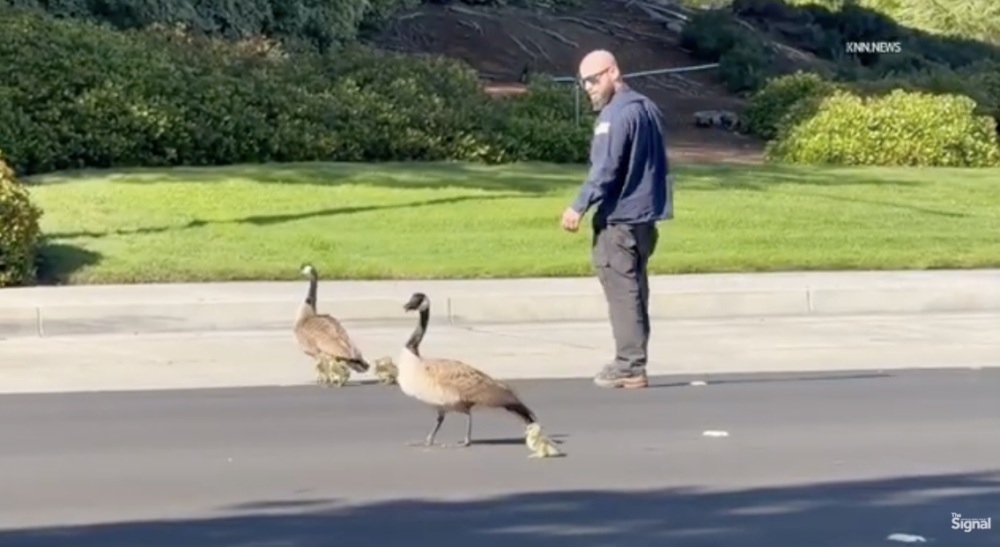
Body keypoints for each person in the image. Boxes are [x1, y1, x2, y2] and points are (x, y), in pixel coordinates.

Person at [560, 49, 673, 389]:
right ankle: (634, 359)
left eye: (593, 80)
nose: (588, 88)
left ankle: (629, 364)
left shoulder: (615, 116)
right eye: (583, 83)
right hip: (644, 218)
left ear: (612, 72)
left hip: (619, 218)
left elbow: (605, 168)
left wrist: (577, 206)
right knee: (636, 290)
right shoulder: (647, 108)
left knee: (623, 293)